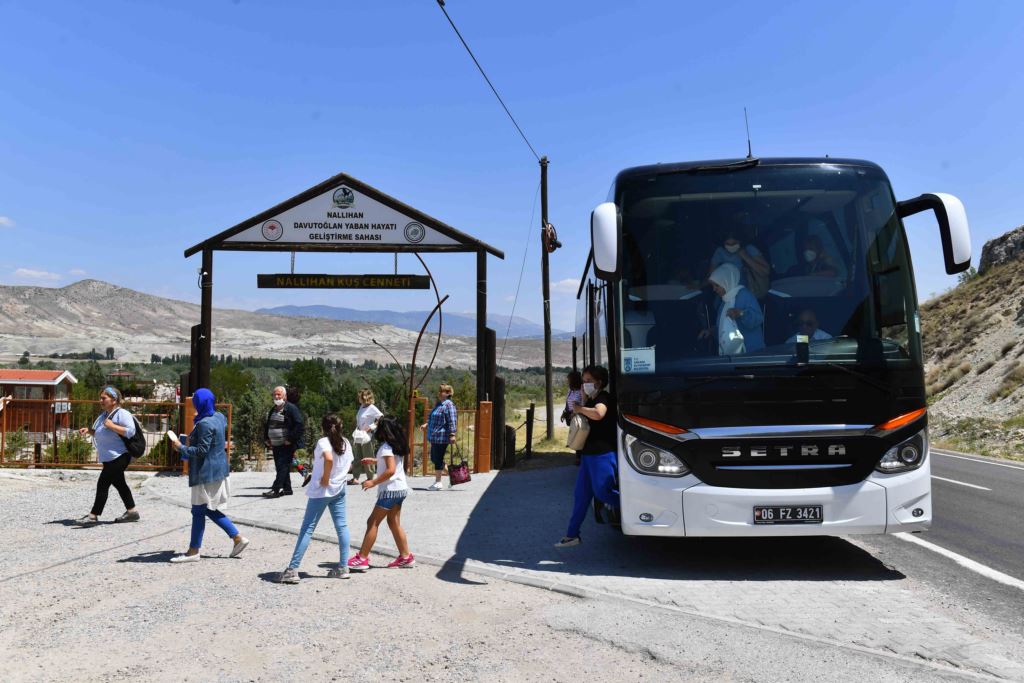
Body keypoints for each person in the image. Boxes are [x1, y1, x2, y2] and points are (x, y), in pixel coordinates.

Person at [168, 389, 249, 562]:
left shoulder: (204, 423)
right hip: (218, 469)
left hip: (205, 472)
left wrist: (180, 447)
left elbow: (202, 450)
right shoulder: (219, 417)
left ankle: (195, 551)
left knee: (200, 509)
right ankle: (234, 539)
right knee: (203, 509)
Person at [277, 414, 354, 583]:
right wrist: (337, 476)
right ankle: (343, 567)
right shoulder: (346, 443)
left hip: (321, 491)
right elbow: (349, 464)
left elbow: (328, 458)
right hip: (339, 489)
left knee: (307, 528)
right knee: (342, 526)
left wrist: (325, 477)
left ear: (323, 428)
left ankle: (293, 569)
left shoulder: (323, 443)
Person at [555, 365, 620, 548]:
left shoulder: (603, 397)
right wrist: (583, 402)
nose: (585, 384)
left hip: (602, 454)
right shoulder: (589, 400)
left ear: (599, 382)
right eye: (584, 381)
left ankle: (635, 507)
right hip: (589, 455)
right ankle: (571, 535)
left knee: (603, 492)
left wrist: (580, 408)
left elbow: (599, 414)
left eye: (588, 381)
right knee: (581, 495)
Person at [347, 416, 414, 571]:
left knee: (372, 522)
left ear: (383, 430)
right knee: (393, 522)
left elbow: (390, 470)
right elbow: (393, 463)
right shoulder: (396, 445)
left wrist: (373, 482)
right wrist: (375, 461)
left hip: (390, 491)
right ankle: (406, 557)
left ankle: (362, 558)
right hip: (400, 489)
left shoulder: (385, 447)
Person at [75, 386, 141, 525]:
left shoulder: (122, 414)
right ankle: (132, 512)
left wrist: (112, 426)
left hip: (120, 456)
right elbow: (100, 432)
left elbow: (130, 432)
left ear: (114, 400)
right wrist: (89, 431)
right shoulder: (104, 415)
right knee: (120, 484)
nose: (101, 400)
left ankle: (93, 516)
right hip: (109, 457)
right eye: (100, 398)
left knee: (103, 484)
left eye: (104, 398)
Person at [699, 263, 765, 354]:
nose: (714, 289)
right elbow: (724, 329)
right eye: (713, 286)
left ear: (726, 282)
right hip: (732, 359)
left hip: (751, 355)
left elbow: (758, 318)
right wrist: (710, 331)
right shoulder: (724, 301)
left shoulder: (744, 295)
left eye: (717, 285)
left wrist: (741, 313)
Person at [263, 385, 304, 498]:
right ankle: (287, 489)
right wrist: (266, 438)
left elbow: (299, 425)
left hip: (286, 444)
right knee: (281, 466)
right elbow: (268, 425)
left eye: (279, 394)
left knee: (282, 466)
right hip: (275, 444)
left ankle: (276, 489)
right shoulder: (274, 409)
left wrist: (290, 439)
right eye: (274, 394)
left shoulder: (291, 408)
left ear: (285, 396)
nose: (276, 396)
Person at [708, 228, 770, 295]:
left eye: (734, 243)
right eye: (728, 244)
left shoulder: (749, 249)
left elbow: (765, 271)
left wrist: (746, 256)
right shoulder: (720, 252)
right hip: (726, 292)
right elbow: (712, 276)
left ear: (740, 241)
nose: (731, 246)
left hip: (749, 290)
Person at [423, 383, 457, 491]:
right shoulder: (439, 404)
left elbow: (452, 420)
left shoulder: (449, 405)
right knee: (434, 458)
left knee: (438, 459)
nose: (439, 393)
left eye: (441, 391)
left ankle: (438, 482)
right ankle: (453, 476)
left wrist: (452, 434)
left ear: (448, 393)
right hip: (434, 436)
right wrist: (426, 424)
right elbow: (433, 417)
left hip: (442, 436)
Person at [351, 388, 383, 485]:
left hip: (368, 436)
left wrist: (371, 427)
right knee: (357, 456)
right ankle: (355, 477)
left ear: (364, 397)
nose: (358, 398)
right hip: (360, 435)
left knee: (368, 455)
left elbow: (381, 417)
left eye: (360, 396)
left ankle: (370, 477)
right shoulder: (361, 407)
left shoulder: (372, 407)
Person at [560, 370, 584, 466]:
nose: (568, 382)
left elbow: (582, 404)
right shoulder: (570, 391)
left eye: (569, 380)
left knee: (579, 436)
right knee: (574, 435)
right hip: (571, 416)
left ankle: (579, 457)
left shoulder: (581, 392)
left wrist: (575, 413)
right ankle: (578, 455)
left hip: (578, 416)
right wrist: (564, 413)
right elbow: (567, 403)